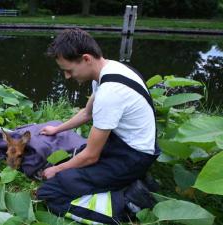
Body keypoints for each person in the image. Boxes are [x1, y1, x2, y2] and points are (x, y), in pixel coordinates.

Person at [37, 28, 160, 224]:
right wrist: (57, 129)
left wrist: (57, 170)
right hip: (125, 146)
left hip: (133, 157)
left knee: (49, 192)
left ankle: (128, 203)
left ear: (86, 59)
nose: (67, 76)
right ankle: (129, 184)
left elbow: (91, 155)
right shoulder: (109, 70)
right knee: (71, 163)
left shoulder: (110, 92)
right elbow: (87, 113)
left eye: (69, 70)